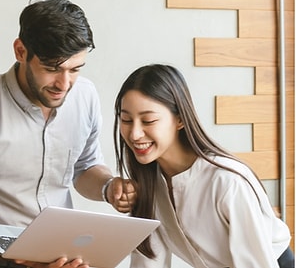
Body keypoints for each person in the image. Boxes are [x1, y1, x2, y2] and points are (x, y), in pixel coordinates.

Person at [0, 0, 136, 268]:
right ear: (21, 51)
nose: (64, 83)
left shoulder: (85, 95)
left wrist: (108, 186)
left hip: (65, 258)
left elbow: (85, 167)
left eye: (75, 69)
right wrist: (31, 258)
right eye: (52, 68)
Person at [114, 64, 293, 268]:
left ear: (180, 119)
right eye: (126, 119)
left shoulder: (227, 181)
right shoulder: (149, 185)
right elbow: (149, 261)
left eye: (148, 120)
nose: (134, 134)